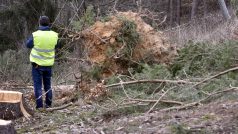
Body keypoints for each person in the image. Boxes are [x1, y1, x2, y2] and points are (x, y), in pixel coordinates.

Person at [26, 16, 58, 109]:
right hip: (48, 65)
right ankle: (48, 105)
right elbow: (56, 45)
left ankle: (39, 106)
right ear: (49, 24)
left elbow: (28, 45)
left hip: (37, 65)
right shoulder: (54, 35)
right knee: (48, 85)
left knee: (38, 86)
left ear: (39, 23)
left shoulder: (35, 35)